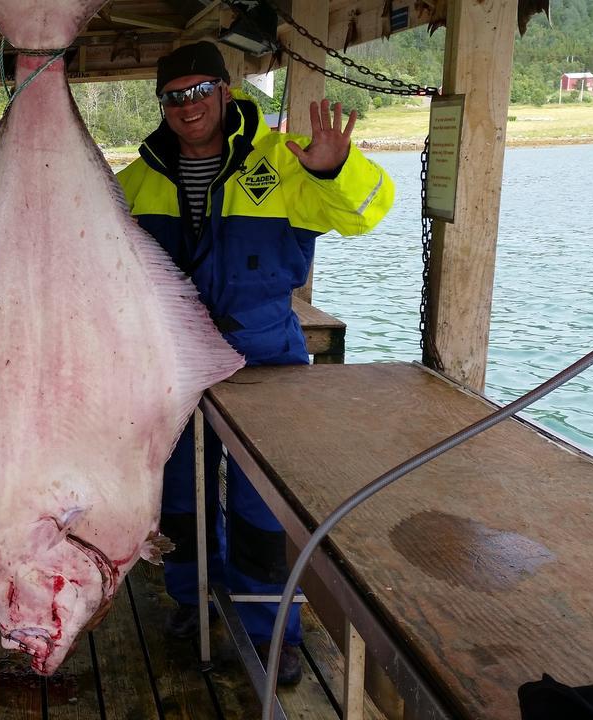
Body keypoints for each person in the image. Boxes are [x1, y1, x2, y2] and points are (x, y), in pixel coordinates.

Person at [116, 41, 394, 686]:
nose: (188, 107)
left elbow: (363, 212)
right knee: (177, 500)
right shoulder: (133, 182)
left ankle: (272, 630)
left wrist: (335, 170)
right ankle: (192, 603)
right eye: (173, 96)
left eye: (199, 91)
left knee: (263, 507)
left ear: (225, 91)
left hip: (263, 353)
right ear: (162, 105)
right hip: (170, 362)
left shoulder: (283, 159)